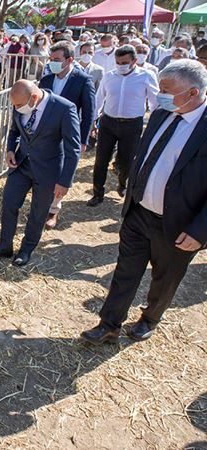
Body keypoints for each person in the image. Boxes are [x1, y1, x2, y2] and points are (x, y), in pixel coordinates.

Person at [81, 60, 207, 344]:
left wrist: (201, 231)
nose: (159, 95)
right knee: (125, 270)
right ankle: (109, 324)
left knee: (165, 278)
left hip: (179, 224)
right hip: (138, 213)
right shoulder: (164, 113)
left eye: (166, 90)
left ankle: (150, 318)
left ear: (192, 94)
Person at [0, 80, 80, 266]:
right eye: (14, 105)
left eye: (19, 105)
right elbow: (14, 130)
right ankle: (5, 245)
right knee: (9, 203)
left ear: (34, 97)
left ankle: (27, 249)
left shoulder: (64, 108)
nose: (16, 108)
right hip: (21, 165)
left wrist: (65, 181)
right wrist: (10, 149)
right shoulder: (19, 103)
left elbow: (73, 149)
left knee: (38, 212)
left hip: (48, 171)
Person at [89, 45, 159, 206]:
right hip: (108, 123)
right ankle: (98, 193)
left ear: (134, 61)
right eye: (118, 62)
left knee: (127, 161)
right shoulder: (109, 76)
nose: (121, 65)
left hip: (132, 125)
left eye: (125, 62)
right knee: (101, 160)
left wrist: (155, 124)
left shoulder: (146, 76)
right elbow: (99, 99)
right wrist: (93, 121)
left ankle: (122, 184)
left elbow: (155, 102)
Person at [39, 41, 96, 229]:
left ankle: (53, 210)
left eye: (57, 59)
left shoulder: (83, 80)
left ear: (70, 60)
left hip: (68, 134)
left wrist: (83, 139)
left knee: (62, 172)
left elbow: (88, 112)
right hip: (46, 134)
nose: (52, 63)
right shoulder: (46, 80)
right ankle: (41, 205)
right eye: (51, 59)